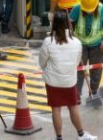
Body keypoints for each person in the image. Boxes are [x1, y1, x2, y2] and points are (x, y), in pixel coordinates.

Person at [39, 10, 98, 140]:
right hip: (69, 81)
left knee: (56, 109)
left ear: (53, 24)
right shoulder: (76, 42)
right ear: (68, 24)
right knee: (73, 107)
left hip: (53, 81)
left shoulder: (48, 41)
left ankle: (59, 137)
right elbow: (77, 62)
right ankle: (81, 135)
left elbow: (42, 63)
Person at [70, 0, 103, 101]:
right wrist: (73, 39)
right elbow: (70, 25)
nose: (88, 12)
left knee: (96, 70)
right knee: (79, 70)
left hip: (97, 45)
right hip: (80, 44)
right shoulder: (77, 9)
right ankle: (76, 95)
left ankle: (93, 93)